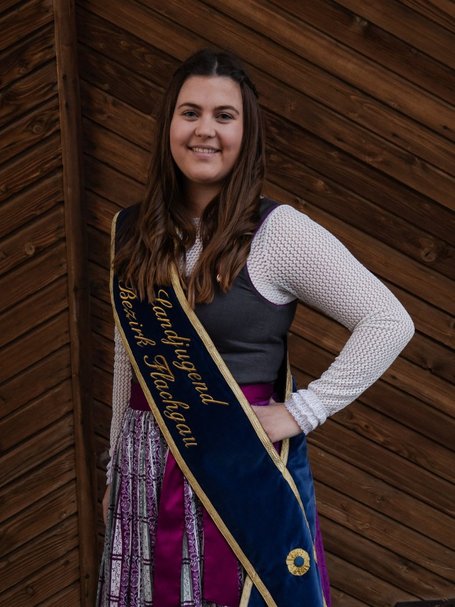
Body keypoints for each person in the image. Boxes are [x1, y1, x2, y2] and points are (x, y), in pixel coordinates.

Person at [97, 48, 415, 607]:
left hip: (236, 468)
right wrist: (114, 474)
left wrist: (303, 411)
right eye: (190, 113)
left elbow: (389, 321)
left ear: (246, 133)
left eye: (224, 116)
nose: (205, 130)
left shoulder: (278, 233)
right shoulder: (133, 229)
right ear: (169, 125)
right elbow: (130, 358)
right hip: (143, 469)